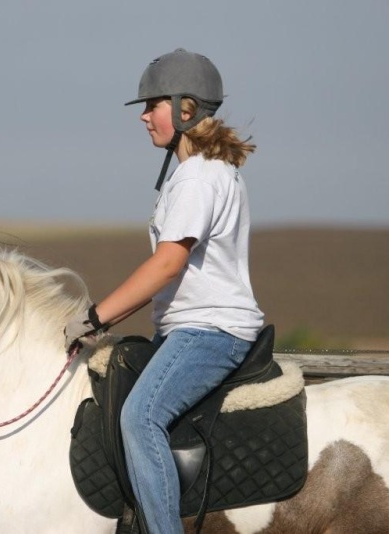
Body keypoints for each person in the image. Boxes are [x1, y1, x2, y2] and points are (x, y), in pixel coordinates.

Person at [64, 48, 264, 534]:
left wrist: (95, 318)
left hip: (209, 331)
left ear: (185, 108)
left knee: (139, 418)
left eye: (151, 106)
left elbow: (168, 263)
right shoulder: (203, 172)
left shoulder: (197, 177)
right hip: (190, 330)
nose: (145, 118)